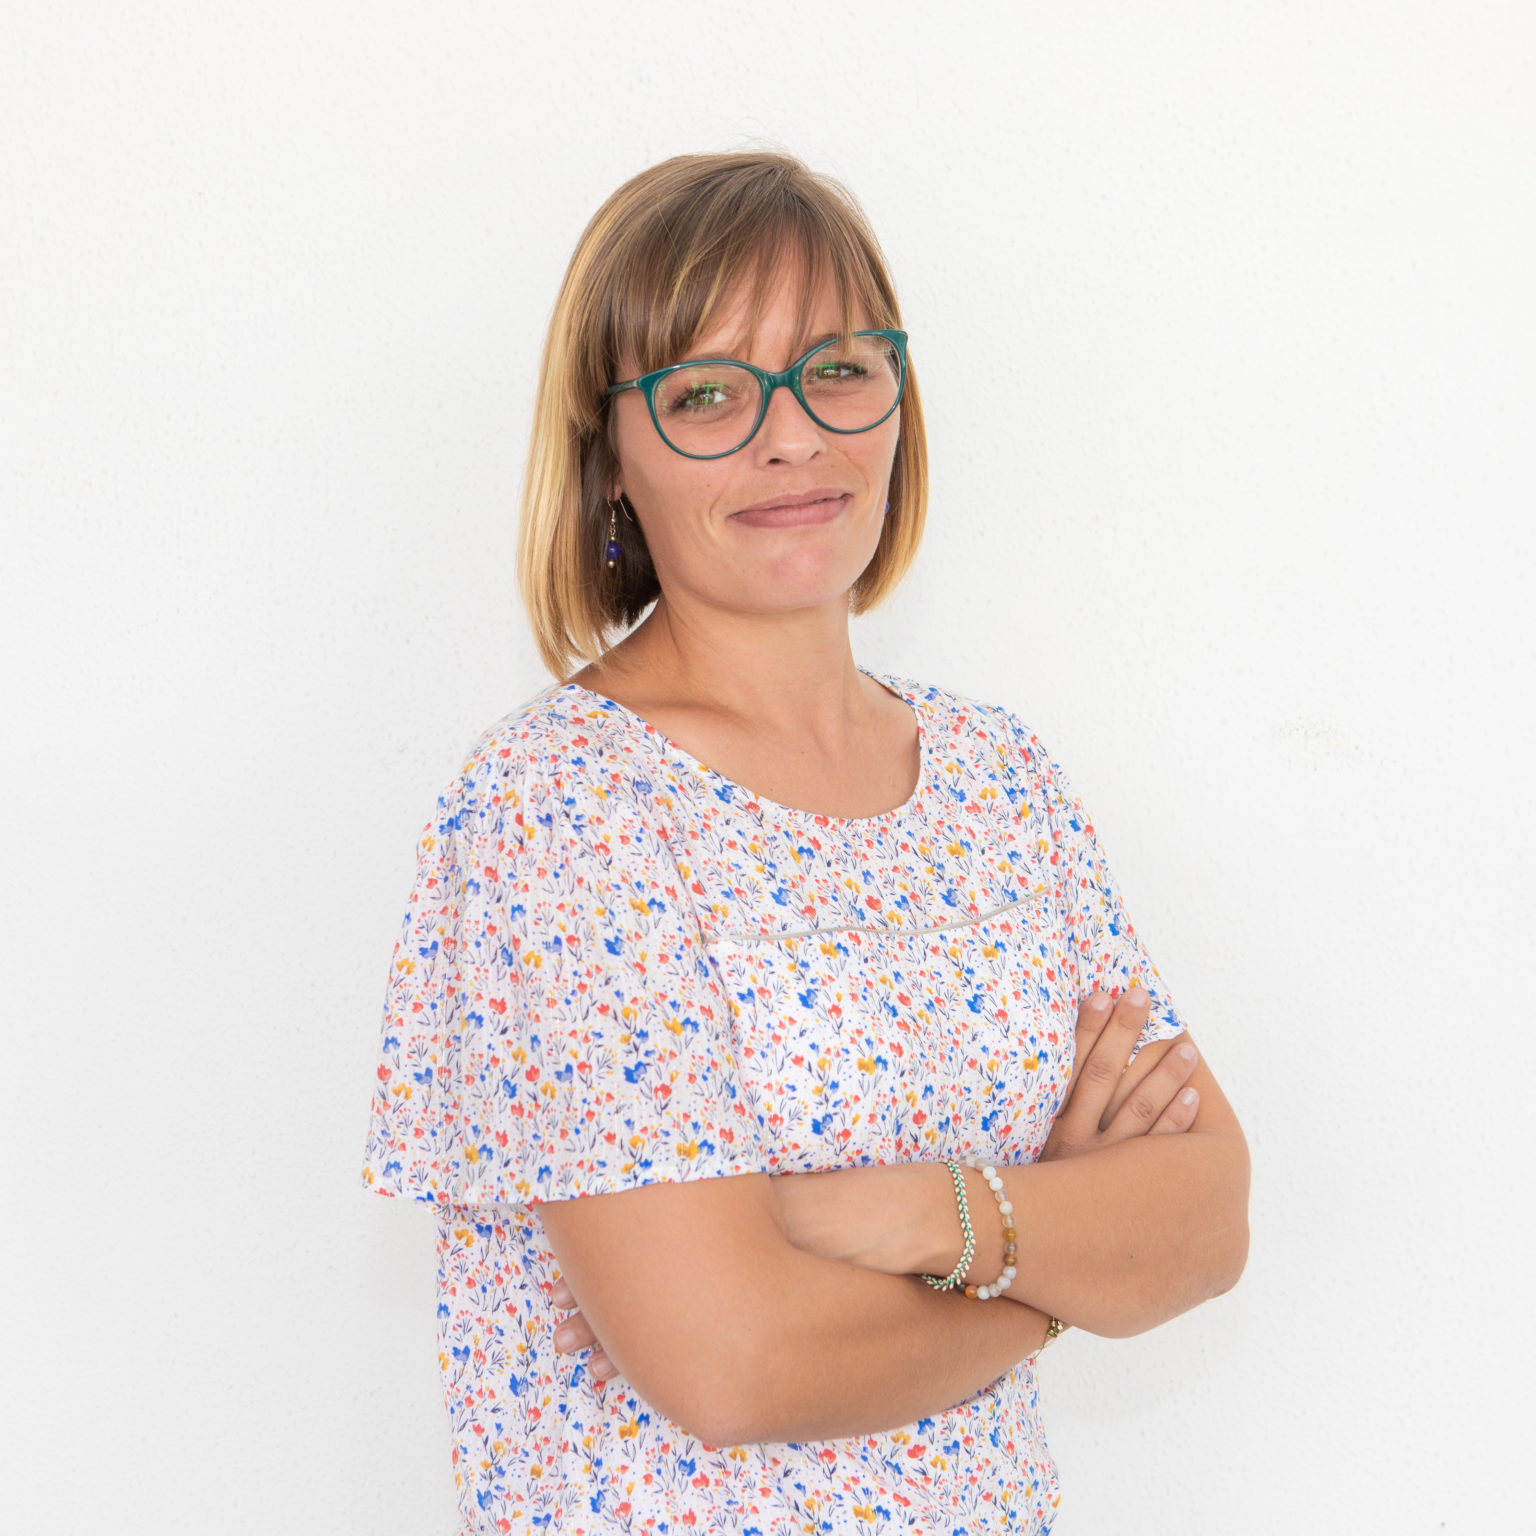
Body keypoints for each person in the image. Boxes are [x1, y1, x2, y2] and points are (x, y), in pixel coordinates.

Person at [361, 149, 1250, 1536]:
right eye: (706, 394)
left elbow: (1204, 1222)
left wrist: (920, 1215)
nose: (791, 437)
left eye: (837, 369)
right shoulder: (563, 808)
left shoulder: (1000, 781)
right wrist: (1057, 1266)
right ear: (609, 457)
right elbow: (737, 1364)